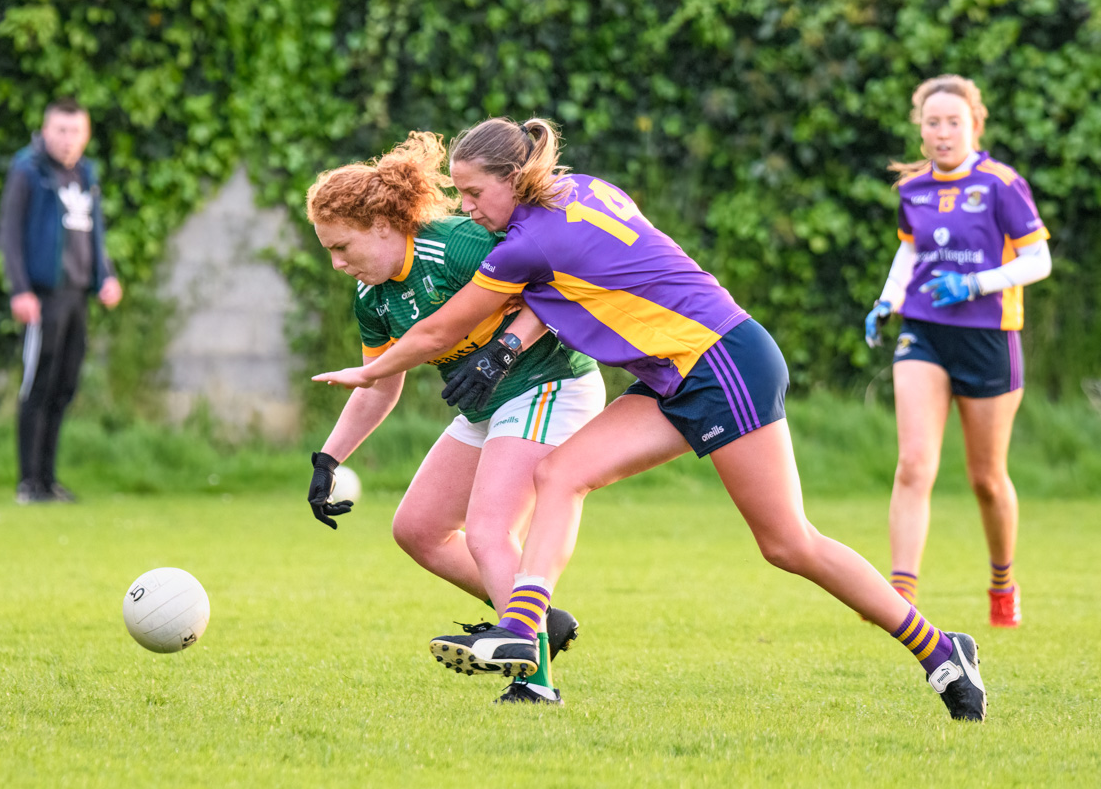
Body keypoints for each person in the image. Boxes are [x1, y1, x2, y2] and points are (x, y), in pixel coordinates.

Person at [315, 117, 987, 721]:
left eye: (472, 194)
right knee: (560, 474)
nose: (463, 208)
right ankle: (524, 626)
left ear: (514, 180)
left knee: (787, 543)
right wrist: (510, 344)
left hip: (723, 363)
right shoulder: (578, 188)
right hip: (671, 375)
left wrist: (368, 371)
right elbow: (581, 279)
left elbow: (439, 333)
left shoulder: (522, 243)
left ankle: (938, 647)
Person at [304, 131, 605, 704]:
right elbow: (380, 382)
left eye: (343, 247)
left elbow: (560, 284)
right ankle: (539, 615)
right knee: (417, 529)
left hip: (549, 383)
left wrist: (507, 349)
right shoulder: (373, 298)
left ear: (384, 226)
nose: (338, 263)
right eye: (329, 252)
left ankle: (534, 683)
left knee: (490, 530)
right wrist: (329, 456)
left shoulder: (459, 245)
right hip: (485, 405)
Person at [863, 75, 1051, 628]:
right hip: (923, 331)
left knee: (986, 479)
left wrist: (976, 285)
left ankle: (1001, 584)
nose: (942, 133)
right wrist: (887, 300)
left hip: (990, 337)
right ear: (920, 129)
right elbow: (909, 254)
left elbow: (1038, 260)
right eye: (932, 123)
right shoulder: (912, 189)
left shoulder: (1002, 183)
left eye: (954, 122)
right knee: (915, 463)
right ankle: (901, 597)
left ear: (975, 124)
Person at [0, 98, 122, 504]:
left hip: (76, 298)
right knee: (37, 385)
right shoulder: (28, 170)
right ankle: (27, 482)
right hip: (42, 297)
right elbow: (9, 232)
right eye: (61, 131)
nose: (69, 140)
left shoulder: (86, 173)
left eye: (77, 132)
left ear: (86, 135)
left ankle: (48, 481)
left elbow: (94, 232)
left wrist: (106, 277)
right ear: (46, 130)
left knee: (63, 387)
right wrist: (20, 289)